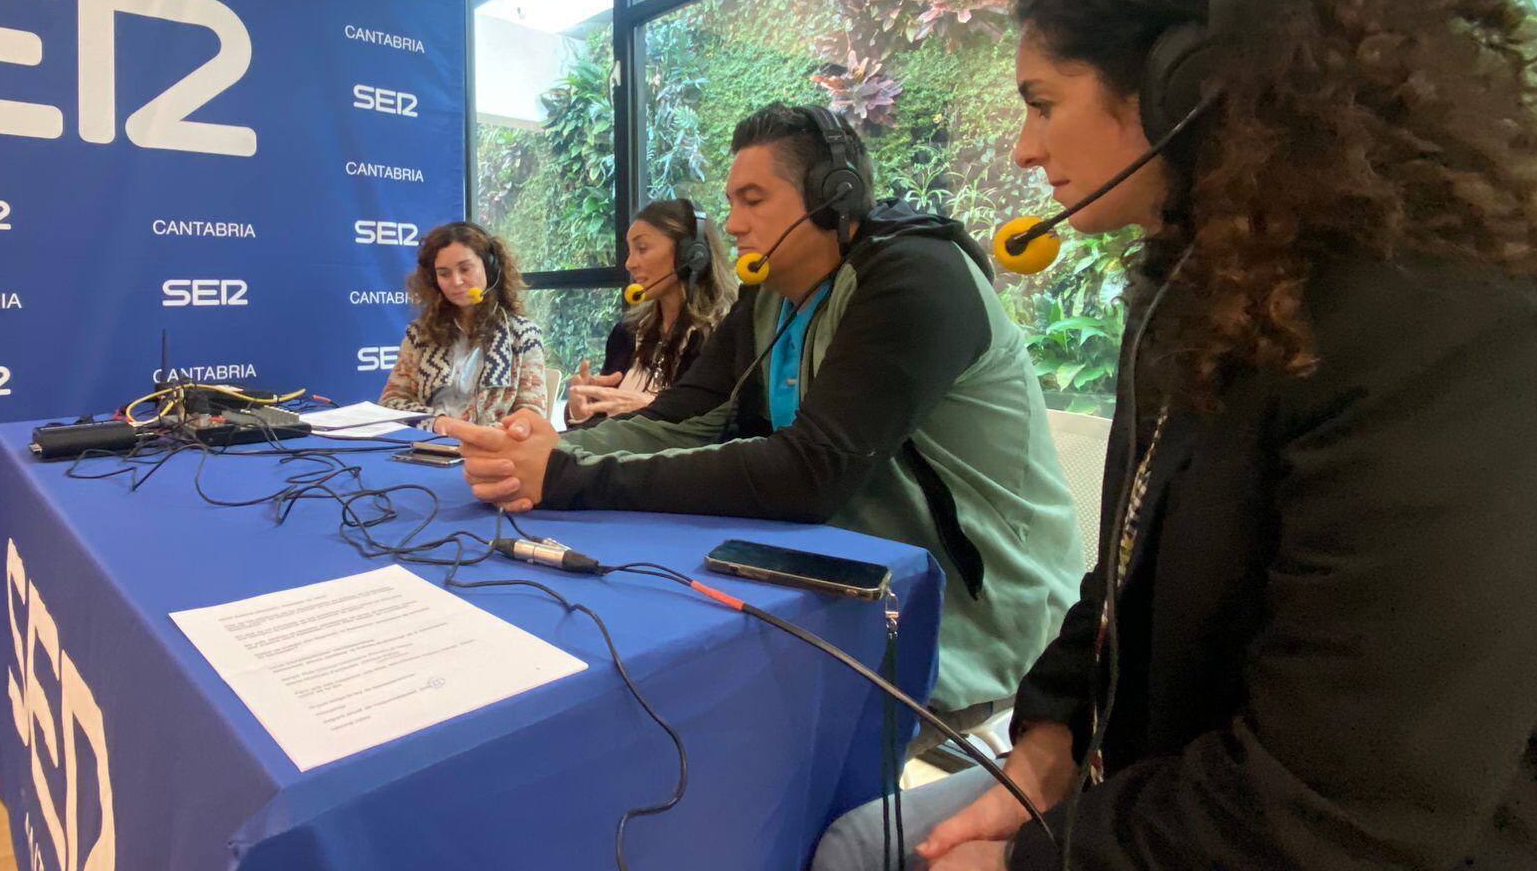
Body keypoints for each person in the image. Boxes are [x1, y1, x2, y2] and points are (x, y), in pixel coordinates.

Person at [819, 0, 1537, 871]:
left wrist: (1032, 864)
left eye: (1042, 105)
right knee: (856, 845)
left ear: (1188, 86)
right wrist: (1049, 736)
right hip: (1180, 785)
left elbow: (1342, 810)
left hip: (1357, 841)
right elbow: (1126, 571)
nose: (1022, 148)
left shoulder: (1444, 335)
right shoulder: (1196, 292)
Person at [455, 103, 1084, 730]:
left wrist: (567, 476)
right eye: (731, 202)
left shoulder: (918, 278)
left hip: (974, 620)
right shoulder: (770, 294)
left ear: (834, 193)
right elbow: (681, 416)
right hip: (847, 588)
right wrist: (548, 447)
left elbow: (809, 475)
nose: (732, 224)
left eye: (753, 200)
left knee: (707, 722)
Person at [566, 196, 738, 425]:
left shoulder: (724, 334)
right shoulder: (626, 333)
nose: (629, 263)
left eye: (642, 248)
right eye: (630, 250)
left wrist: (652, 409)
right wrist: (582, 410)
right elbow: (600, 425)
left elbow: (720, 427)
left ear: (691, 254)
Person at [378, 222, 547, 431]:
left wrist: (475, 434)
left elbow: (531, 415)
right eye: (444, 273)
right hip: (429, 446)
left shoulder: (523, 335)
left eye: (465, 269)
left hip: (491, 451)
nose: (456, 281)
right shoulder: (420, 334)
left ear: (490, 268)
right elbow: (390, 403)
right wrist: (438, 422)